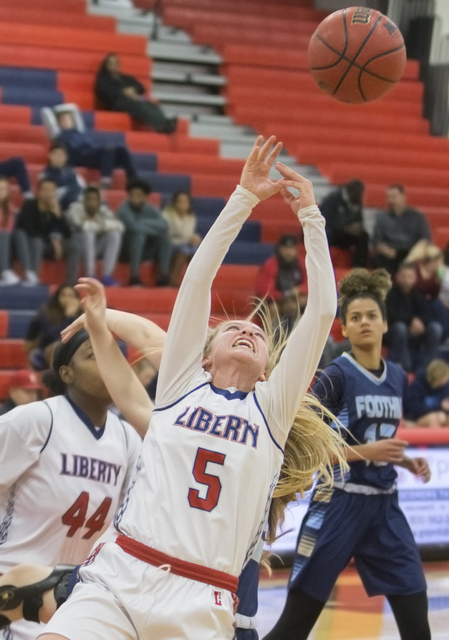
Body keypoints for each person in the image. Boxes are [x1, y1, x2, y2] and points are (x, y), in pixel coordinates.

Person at [37, 136, 338, 640]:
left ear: (268, 370)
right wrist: (242, 199)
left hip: (203, 596)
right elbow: (198, 280)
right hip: (122, 573)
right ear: (203, 353)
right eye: (234, 329)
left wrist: (312, 218)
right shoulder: (180, 385)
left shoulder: (271, 409)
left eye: (259, 336)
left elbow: (323, 310)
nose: (248, 330)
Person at [263, 268, 432, 640]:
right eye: (355, 317)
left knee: (416, 615)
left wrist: (401, 459)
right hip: (338, 504)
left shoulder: (397, 376)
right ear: (345, 329)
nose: (365, 322)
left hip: (385, 508)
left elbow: (376, 437)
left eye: (372, 315)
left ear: (386, 324)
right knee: (294, 626)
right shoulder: (336, 375)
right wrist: (367, 451)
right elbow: (307, 445)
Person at [13, 178, 80, 286]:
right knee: (37, 241)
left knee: (74, 246)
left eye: (52, 190)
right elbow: (29, 230)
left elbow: (68, 234)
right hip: (31, 243)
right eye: (45, 190)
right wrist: (53, 239)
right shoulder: (30, 205)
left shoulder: (56, 207)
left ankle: (70, 283)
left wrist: (59, 216)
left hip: (49, 244)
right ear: (38, 191)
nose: (49, 193)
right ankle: (33, 278)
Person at [95, 53, 177, 134]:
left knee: (150, 103)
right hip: (117, 103)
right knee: (135, 104)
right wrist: (123, 92)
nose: (114, 65)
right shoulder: (103, 79)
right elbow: (103, 92)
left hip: (133, 98)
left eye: (116, 63)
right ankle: (162, 126)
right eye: (111, 63)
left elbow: (141, 87)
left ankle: (164, 121)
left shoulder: (125, 77)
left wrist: (133, 90)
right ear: (106, 65)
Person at [385, 262, 443, 372]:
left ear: (415, 278)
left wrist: (420, 323)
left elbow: (428, 315)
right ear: (397, 277)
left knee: (436, 328)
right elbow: (389, 314)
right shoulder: (390, 294)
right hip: (394, 333)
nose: (406, 280)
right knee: (400, 327)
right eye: (403, 276)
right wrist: (410, 321)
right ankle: (401, 366)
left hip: (416, 332)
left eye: (410, 277)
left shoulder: (418, 295)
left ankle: (428, 366)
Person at [55, 111, 137, 188]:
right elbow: (65, 153)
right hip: (81, 156)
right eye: (63, 120)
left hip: (92, 153)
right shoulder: (61, 137)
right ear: (59, 124)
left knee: (122, 150)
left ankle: (133, 181)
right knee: (108, 149)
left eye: (68, 119)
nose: (66, 122)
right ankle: (105, 180)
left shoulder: (80, 133)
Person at [118, 178, 172, 287]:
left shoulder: (150, 208)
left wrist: (143, 221)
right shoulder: (123, 210)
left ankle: (163, 276)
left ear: (145, 197)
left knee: (165, 238)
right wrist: (154, 229)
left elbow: (165, 225)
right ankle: (134, 277)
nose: (136, 198)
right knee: (138, 236)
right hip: (125, 251)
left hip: (144, 250)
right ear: (129, 196)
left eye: (139, 195)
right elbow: (134, 227)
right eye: (133, 195)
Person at [66, 186, 124, 286]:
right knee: (89, 233)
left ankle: (107, 276)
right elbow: (81, 224)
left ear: (99, 202)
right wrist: (100, 225)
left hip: (95, 249)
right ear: (84, 200)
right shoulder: (74, 208)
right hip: (79, 250)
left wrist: (99, 223)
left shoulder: (103, 210)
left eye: (95, 200)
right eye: (89, 199)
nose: (92, 203)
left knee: (115, 234)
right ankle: (90, 274)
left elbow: (119, 226)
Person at [372, 184, 431, 274]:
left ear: (403, 197)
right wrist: (386, 250)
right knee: (379, 260)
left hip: (412, 252)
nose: (391, 200)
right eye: (389, 197)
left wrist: (413, 255)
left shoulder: (417, 216)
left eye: (394, 196)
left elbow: (425, 238)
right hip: (391, 252)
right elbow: (377, 241)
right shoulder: (381, 218)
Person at [24, 284, 82, 371]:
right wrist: (68, 317)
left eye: (71, 296)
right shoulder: (46, 312)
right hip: (45, 351)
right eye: (63, 295)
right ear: (57, 297)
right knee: (57, 347)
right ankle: (55, 380)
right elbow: (56, 337)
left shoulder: (83, 314)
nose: (67, 299)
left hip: (74, 351)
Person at [318, 179, 369, 268]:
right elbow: (324, 220)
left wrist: (357, 228)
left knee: (364, 236)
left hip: (345, 235)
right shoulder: (333, 199)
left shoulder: (356, 202)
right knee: (327, 234)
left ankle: (358, 269)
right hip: (331, 233)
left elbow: (360, 220)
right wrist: (344, 228)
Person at [255, 234, 308, 314]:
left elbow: (310, 284)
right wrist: (285, 295)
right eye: (285, 248)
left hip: (296, 299)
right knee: (273, 308)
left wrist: (300, 290)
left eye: (291, 248)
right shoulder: (270, 265)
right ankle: (273, 326)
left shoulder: (302, 264)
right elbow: (265, 291)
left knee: (307, 301)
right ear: (279, 249)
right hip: (273, 301)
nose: (288, 252)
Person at [162, 190, 201, 286]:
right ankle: (172, 279)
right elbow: (167, 236)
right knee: (185, 250)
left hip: (183, 243)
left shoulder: (191, 217)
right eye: (180, 201)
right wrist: (188, 239)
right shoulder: (167, 215)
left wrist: (195, 239)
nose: (183, 204)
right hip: (167, 244)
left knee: (195, 251)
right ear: (174, 202)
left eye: (185, 201)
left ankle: (196, 282)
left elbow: (188, 235)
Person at [39, 142, 85, 211]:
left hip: (78, 205)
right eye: (56, 154)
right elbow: (51, 196)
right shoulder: (45, 175)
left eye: (61, 155)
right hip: (60, 208)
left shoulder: (73, 174)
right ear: (50, 155)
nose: (58, 157)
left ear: (66, 157)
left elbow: (83, 189)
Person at [404, 358, 449, 426]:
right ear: (438, 378)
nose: (446, 379)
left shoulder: (445, 387)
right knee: (434, 419)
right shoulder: (417, 387)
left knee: (442, 417)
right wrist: (440, 406)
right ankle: (435, 436)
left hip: (440, 415)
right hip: (416, 419)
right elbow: (414, 409)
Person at [0, 176, 21, 285]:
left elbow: (8, 228)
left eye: (4, 189)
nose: (1, 192)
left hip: (3, 239)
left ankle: (4, 271)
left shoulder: (9, 208)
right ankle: (4, 271)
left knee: (5, 235)